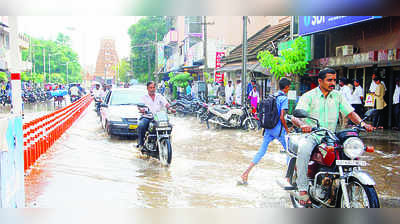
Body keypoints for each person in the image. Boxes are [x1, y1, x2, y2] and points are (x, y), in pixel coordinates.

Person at [290, 68, 374, 206]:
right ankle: (303, 190)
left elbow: (350, 112)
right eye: (329, 80)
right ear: (320, 81)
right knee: (304, 150)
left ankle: (335, 186)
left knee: (347, 152)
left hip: (331, 134)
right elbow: (295, 117)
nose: (333, 83)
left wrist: (363, 123)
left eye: (334, 80)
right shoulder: (309, 96)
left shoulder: (338, 96)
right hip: (314, 134)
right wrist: (303, 125)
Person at [239, 78, 292, 185]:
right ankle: (289, 178)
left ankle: (245, 173)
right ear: (286, 87)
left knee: (261, 151)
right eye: (289, 87)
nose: (289, 88)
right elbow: (282, 117)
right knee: (289, 151)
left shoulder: (273, 95)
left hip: (268, 128)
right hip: (278, 129)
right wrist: (287, 130)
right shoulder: (284, 99)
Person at [137, 81, 175, 150]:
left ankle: (167, 140)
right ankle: (141, 144)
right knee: (141, 125)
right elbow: (140, 107)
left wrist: (171, 109)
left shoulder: (159, 96)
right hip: (147, 117)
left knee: (169, 126)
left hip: (158, 117)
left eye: (153, 87)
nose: (152, 89)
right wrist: (142, 110)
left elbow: (166, 103)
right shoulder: (144, 97)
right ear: (147, 88)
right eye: (150, 87)